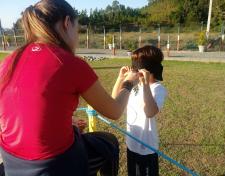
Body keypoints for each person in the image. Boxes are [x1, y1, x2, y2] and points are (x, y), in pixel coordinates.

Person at [0, 0, 139, 176]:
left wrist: (66, 122)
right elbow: (115, 111)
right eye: (77, 29)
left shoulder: (9, 61)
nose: (77, 37)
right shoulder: (69, 63)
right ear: (67, 23)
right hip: (53, 165)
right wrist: (128, 83)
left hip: (11, 161)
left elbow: (20, 109)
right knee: (109, 143)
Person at [112, 45, 167, 176]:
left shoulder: (157, 89)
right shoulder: (134, 86)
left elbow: (150, 112)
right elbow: (114, 100)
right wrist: (121, 79)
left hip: (146, 147)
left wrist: (146, 84)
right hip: (131, 143)